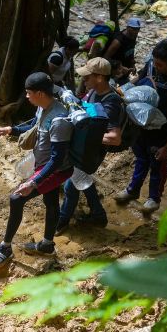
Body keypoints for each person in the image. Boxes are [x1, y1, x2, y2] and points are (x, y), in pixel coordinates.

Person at [0, 72, 74, 264]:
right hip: (44, 164)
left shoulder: (59, 120)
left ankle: (5, 247)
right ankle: (47, 245)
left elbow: (57, 159)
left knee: (16, 198)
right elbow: (34, 126)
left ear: (40, 93)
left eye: (28, 93)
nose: (26, 96)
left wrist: (34, 182)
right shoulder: (43, 108)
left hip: (56, 169)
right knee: (51, 201)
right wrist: (11, 130)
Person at [115, 39, 167, 214]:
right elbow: (140, 79)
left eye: (160, 64)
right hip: (141, 124)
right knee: (141, 158)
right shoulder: (152, 66)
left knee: (157, 163)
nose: (156, 67)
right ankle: (132, 190)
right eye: (155, 63)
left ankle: (153, 198)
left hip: (163, 132)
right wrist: (124, 89)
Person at [58, 58, 124, 229]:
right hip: (81, 146)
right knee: (80, 178)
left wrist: (88, 135)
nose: (83, 80)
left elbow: (115, 138)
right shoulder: (94, 92)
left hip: (91, 152)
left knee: (70, 186)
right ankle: (98, 215)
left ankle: (60, 223)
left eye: (87, 77)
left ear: (100, 78)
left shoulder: (111, 102)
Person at [93, 17, 142, 83]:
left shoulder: (133, 36)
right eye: (133, 29)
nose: (136, 31)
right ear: (127, 27)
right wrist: (121, 68)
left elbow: (131, 50)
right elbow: (105, 59)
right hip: (114, 73)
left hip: (124, 72)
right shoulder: (118, 42)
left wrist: (132, 64)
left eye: (137, 29)